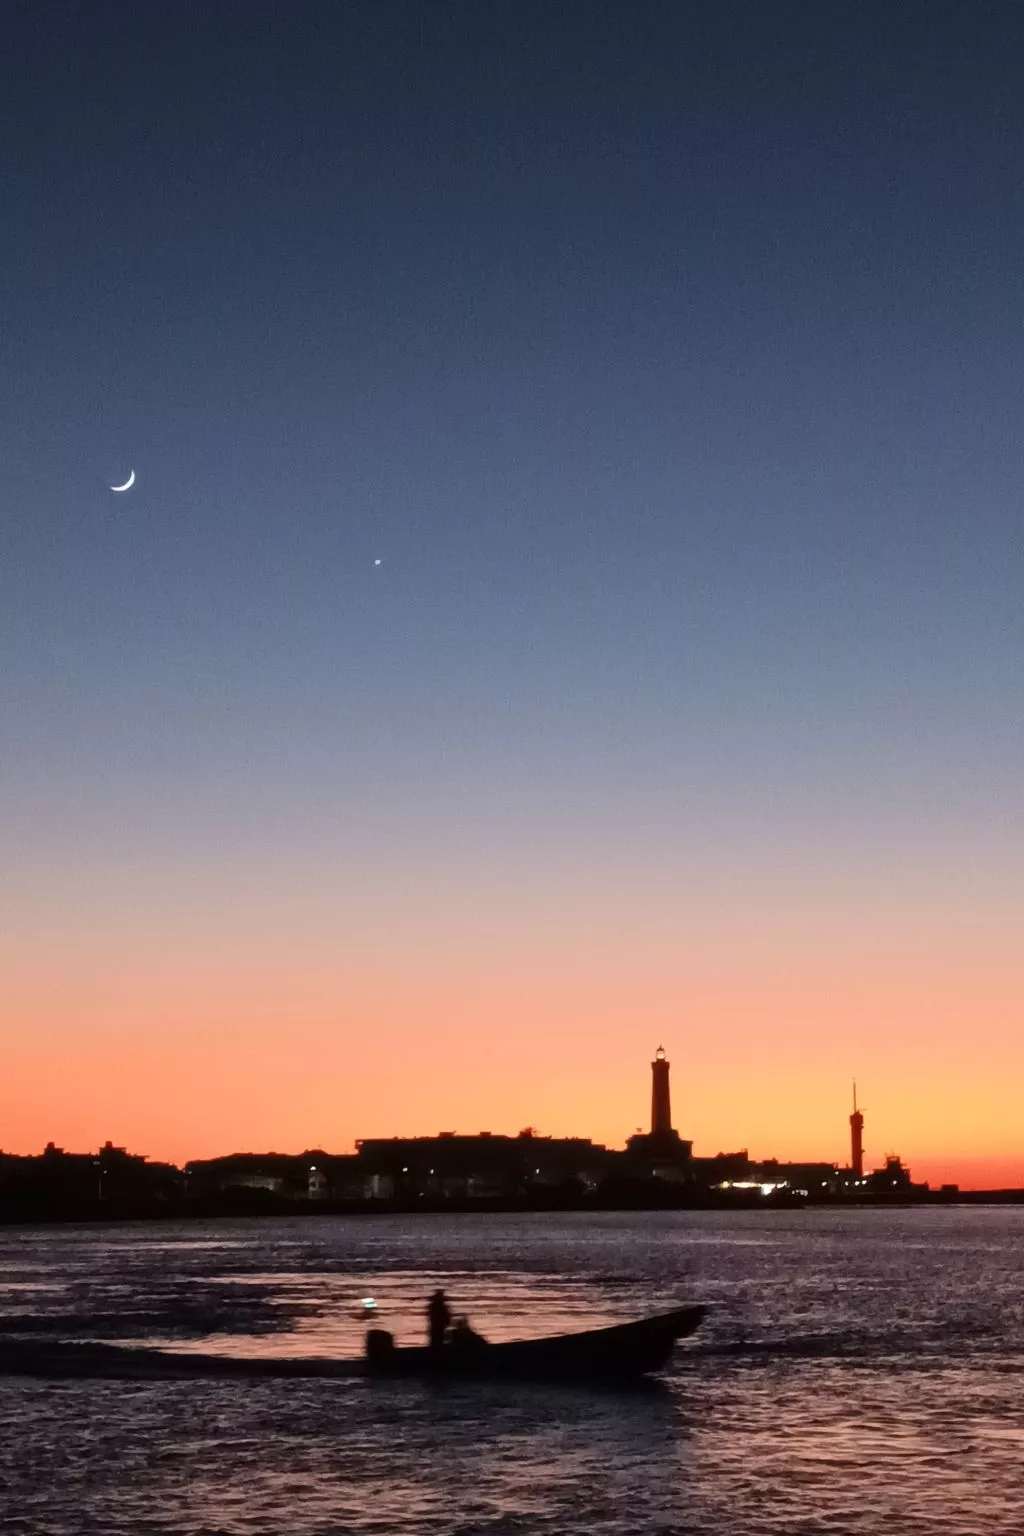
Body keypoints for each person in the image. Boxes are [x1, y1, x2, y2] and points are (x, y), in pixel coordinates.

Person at [427, 1288, 451, 1352]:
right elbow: (446, 1318)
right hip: (438, 1327)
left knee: (435, 1340)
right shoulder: (440, 1307)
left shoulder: (433, 1306)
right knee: (438, 1340)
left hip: (436, 1327)